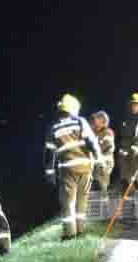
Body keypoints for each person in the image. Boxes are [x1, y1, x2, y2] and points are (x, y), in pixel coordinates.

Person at [44, 93, 102, 240]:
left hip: (67, 169)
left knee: (67, 202)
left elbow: (50, 152)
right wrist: (99, 159)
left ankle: (70, 234)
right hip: (85, 166)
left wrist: (49, 172)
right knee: (82, 199)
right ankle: (80, 230)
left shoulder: (53, 127)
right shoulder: (80, 122)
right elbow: (91, 142)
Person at [117, 93, 138, 222]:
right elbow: (123, 138)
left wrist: (137, 148)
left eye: (136, 105)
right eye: (132, 105)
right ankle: (129, 215)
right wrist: (123, 150)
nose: (133, 107)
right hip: (125, 159)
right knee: (126, 184)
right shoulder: (126, 120)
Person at [89, 110, 115, 194]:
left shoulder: (107, 132)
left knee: (101, 186)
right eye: (93, 120)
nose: (93, 122)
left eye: (96, 120)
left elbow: (107, 147)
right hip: (94, 164)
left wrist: (93, 151)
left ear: (103, 122)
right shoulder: (92, 133)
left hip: (104, 164)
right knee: (93, 186)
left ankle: (103, 204)